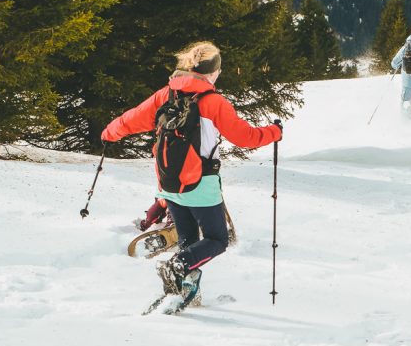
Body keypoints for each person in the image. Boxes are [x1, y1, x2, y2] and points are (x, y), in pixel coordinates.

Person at [101, 41, 283, 306]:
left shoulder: (165, 95)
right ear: (211, 73)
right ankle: (178, 266)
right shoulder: (213, 102)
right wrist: (274, 133)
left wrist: (109, 133)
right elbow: (246, 137)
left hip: (169, 184)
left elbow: (131, 119)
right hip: (200, 184)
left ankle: (188, 292)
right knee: (217, 239)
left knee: (189, 239)